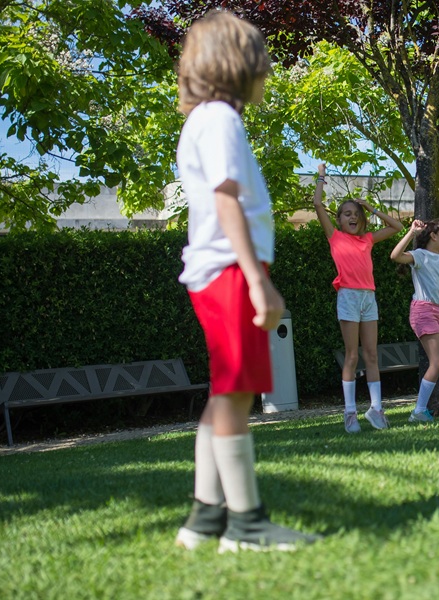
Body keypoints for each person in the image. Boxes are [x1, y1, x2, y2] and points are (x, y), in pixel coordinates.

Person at [173, 10, 320, 553]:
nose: (268, 70)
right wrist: (258, 280)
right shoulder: (221, 119)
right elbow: (226, 199)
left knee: (224, 394)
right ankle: (247, 524)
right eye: (262, 59)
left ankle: (205, 517)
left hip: (214, 271)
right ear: (239, 64)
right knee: (236, 397)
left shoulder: (204, 119)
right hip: (231, 272)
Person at [312, 163, 404, 433]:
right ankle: (350, 412)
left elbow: (397, 226)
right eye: (347, 214)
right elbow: (318, 204)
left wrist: (371, 207)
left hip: (368, 298)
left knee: (372, 354)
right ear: (339, 219)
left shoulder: (367, 239)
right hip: (349, 297)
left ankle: (376, 409)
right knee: (352, 356)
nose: (352, 217)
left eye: (356, 214)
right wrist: (321, 176)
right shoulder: (335, 237)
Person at [390, 218, 439, 423]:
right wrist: (411, 233)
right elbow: (395, 255)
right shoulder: (419, 255)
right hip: (423, 311)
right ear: (433, 236)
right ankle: (418, 411)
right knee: (437, 362)